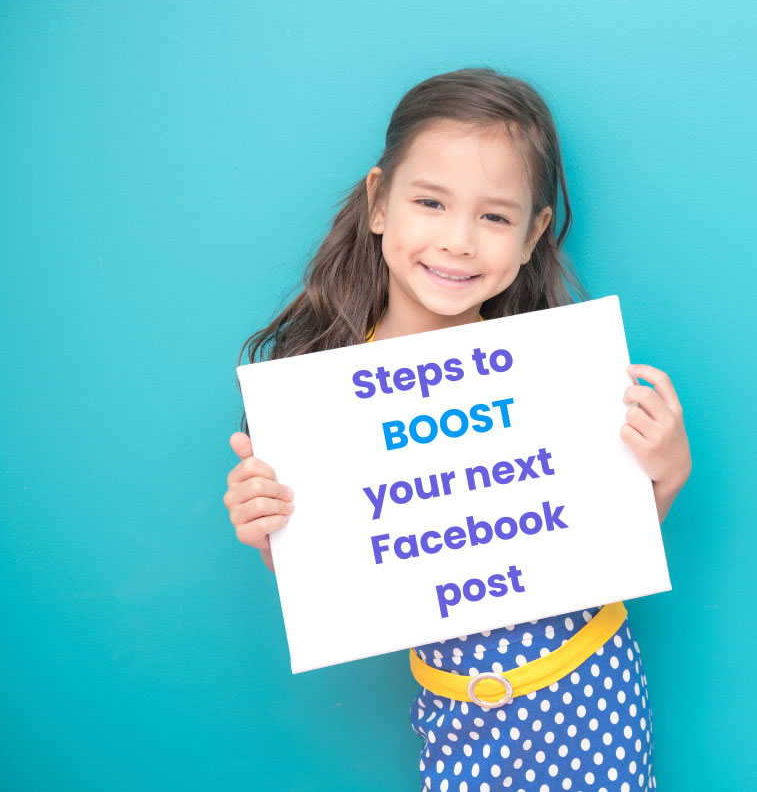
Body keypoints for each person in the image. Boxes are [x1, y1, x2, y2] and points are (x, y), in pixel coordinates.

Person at [222, 67, 691, 791]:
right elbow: (331, 575)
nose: (459, 241)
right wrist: (267, 529)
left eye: (495, 217)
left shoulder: (553, 381)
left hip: (591, 688)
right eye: (431, 202)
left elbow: (601, 543)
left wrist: (663, 473)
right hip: (455, 713)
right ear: (380, 203)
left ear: (534, 234)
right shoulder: (323, 404)